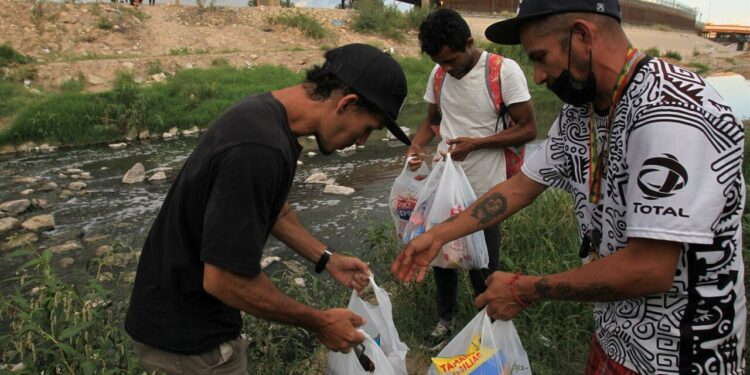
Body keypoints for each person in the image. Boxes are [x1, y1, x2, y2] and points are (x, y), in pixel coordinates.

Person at [392, 1, 746, 374]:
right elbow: (521, 187)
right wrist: (440, 233)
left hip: (681, 353)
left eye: (541, 57)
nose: (540, 77)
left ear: (582, 35)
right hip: (614, 334)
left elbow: (649, 268)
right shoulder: (582, 111)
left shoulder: (671, 111)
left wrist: (523, 289)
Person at [125, 43, 411, 373]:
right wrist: (319, 322)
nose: (360, 142)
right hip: (189, 343)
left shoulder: (262, 115)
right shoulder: (260, 148)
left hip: (179, 322)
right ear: (347, 103)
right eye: (367, 130)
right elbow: (225, 281)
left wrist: (326, 257)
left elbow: (272, 207)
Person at [407, 9, 537, 351]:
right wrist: (417, 145)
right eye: (440, 63)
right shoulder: (438, 74)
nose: (447, 69)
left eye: (452, 60)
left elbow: (528, 128)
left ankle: (488, 328)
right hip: (444, 182)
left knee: (483, 264)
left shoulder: (502, 72)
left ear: (468, 43)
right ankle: (445, 322)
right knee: (441, 257)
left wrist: (476, 144)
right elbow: (432, 120)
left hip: (487, 187)